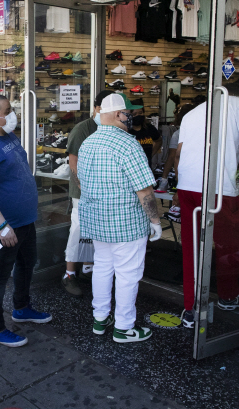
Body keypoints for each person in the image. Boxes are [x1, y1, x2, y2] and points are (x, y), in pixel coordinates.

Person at [176, 88, 239, 328]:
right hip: (217, 188)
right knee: (228, 247)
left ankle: (191, 308)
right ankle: (229, 296)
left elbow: (179, 153)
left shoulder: (192, 113)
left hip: (188, 186)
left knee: (192, 249)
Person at [0, 94, 52, 348]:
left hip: (24, 221)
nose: (13, 113)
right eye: (9, 110)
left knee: (27, 265)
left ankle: (22, 307)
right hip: (0, 227)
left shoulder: (8, 136)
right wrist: (2, 225)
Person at [77, 93, 162, 343]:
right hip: (125, 222)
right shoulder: (127, 144)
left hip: (97, 220)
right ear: (116, 114)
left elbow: (81, 181)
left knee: (103, 268)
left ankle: (101, 319)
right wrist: (155, 222)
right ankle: (124, 327)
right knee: (128, 274)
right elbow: (144, 190)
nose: (131, 117)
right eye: (128, 113)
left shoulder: (88, 142)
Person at [63, 90, 114, 296]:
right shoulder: (83, 128)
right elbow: (73, 160)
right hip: (83, 191)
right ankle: (68, 275)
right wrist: (82, 186)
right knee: (78, 230)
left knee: (96, 232)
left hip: (104, 190)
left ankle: (88, 268)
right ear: (98, 108)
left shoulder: (112, 128)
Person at [156, 103, 196, 193]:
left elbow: (173, 156)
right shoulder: (204, 132)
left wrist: (164, 179)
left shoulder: (179, 134)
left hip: (184, 173)